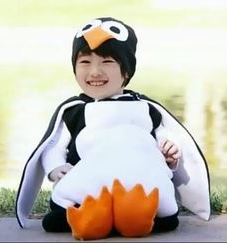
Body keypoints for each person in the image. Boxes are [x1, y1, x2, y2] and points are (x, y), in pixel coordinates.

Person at [15, 17, 211, 239]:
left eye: (107, 62)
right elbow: (53, 145)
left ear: (126, 71)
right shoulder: (74, 111)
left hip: (137, 186)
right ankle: (98, 215)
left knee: (151, 209)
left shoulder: (146, 109)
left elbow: (162, 140)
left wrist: (171, 154)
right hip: (87, 187)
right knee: (63, 214)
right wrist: (56, 167)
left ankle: (132, 214)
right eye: (85, 62)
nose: (95, 71)